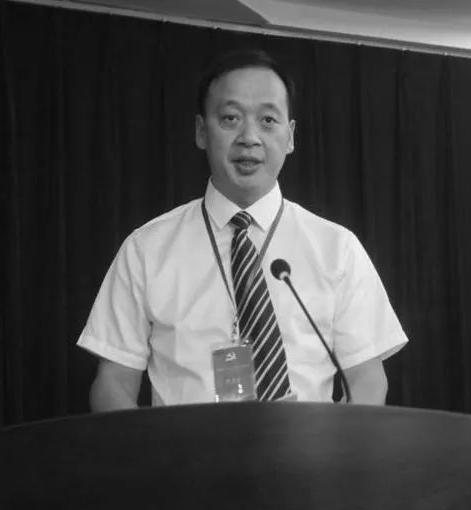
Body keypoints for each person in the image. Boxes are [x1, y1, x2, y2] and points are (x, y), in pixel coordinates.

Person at [78, 49, 407, 411]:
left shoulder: (337, 249)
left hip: (306, 448)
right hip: (185, 449)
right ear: (201, 131)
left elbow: (367, 379)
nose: (249, 137)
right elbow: (114, 382)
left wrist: (339, 446)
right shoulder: (147, 249)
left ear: (290, 136)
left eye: (268, 120)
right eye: (230, 118)